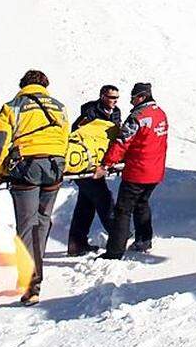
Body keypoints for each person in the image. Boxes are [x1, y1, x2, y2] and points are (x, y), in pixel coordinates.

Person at [0, 70, 69, 305]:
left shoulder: (13, 106)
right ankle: (35, 271)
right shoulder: (59, 107)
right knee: (42, 221)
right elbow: (65, 137)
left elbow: (0, 140)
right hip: (55, 166)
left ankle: (31, 282)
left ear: (23, 85)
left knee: (27, 223)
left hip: (27, 168)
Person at [97, 82, 168, 259]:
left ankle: (114, 251)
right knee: (142, 203)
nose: (131, 102)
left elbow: (122, 142)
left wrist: (106, 164)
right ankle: (144, 240)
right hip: (155, 171)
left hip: (137, 171)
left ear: (142, 97)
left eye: (133, 98)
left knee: (123, 210)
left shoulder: (138, 117)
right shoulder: (160, 114)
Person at [66, 85, 122, 256]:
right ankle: (118, 238)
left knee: (86, 203)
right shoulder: (89, 112)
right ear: (102, 96)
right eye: (112, 97)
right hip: (87, 165)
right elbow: (78, 135)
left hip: (100, 163)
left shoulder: (116, 112)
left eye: (117, 98)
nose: (115, 101)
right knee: (104, 200)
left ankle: (77, 244)